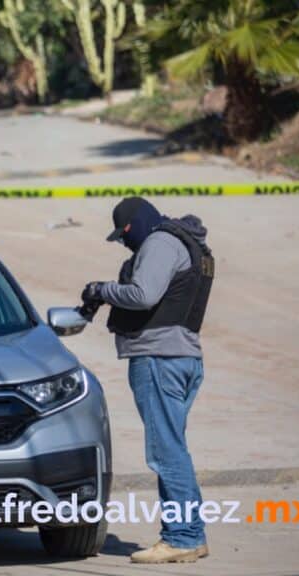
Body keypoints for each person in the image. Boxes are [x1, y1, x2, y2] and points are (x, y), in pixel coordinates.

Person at [81, 197, 214, 564]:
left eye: (124, 235)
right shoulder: (186, 242)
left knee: (165, 452)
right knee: (174, 449)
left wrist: (101, 290)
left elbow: (143, 295)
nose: (125, 243)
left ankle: (183, 536)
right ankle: (190, 534)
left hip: (159, 359)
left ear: (135, 225)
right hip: (183, 357)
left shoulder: (159, 242)